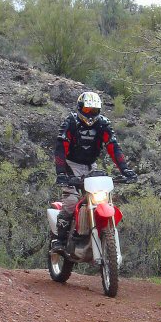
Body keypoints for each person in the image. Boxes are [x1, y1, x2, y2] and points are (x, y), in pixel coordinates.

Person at [52, 91, 137, 253]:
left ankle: (94, 232)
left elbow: (113, 147)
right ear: (80, 108)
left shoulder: (103, 124)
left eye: (94, 110)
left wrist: (125, 170)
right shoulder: (70, 122)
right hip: (71, 165)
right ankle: (60, 240)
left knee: (100, 198)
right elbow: (60, 148)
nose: (90, 114)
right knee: (71, 201)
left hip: (91, 166)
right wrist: (61, 173)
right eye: (87, 110)